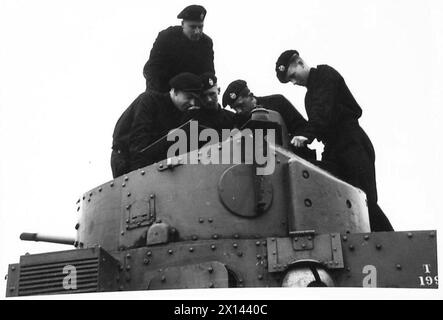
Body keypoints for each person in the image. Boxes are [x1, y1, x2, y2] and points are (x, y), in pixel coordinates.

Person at [275, 49, 393, 232]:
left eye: (292, 75)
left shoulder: (324, 75)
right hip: (333, 148)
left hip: (351, 142)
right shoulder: (309, 97)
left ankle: (390, 243)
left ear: (299, 63)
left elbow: (323, 114)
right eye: (290, 80)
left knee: (364, 201)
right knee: (337, 195)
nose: (293, 82)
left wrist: (306, 135)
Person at [110, 72, 203, 177]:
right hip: (126, 159)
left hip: (151, 162)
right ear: (175, 91)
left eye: (195, 99)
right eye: (189, 97)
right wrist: (139, 175)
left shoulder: (180, 112)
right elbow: (138, 141)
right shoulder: (148, 101)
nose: (192, 103)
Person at [143, 5, 215, 93]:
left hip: (192, 93)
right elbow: (153, 70)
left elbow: (209, 73)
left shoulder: (206, 43)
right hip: (164, 90)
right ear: (182, 24)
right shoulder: (167, 37)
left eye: (200, 27)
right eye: (192, 27)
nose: (197, 31)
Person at [221, 79, 308, 136]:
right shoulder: (238, 122)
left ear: (250, 96)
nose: (238, 111)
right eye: (235, 108)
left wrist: (297, 138)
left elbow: (301, 126)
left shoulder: (277, 102)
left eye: (240, 106)